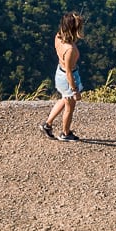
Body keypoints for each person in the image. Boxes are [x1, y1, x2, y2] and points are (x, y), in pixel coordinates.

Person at [39, 12, 84, 142]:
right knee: (70, 107)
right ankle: (65, 133)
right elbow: (69, 72)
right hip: (68, 77)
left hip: (60, 72)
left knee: (64, 99)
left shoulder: (58, 36)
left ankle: (47, 124)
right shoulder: (70, 50)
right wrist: (75, 90)